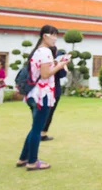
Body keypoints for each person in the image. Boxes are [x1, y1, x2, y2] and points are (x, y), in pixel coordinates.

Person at [16, 25, 69, 171]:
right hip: (43, 95)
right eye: (53, 35)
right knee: (37, 129)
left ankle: (23, 157)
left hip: (35, 94)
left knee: (35, 127)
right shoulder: (45, 52)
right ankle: (32, 161)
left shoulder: (37, 51)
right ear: (45, 36)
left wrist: (56, 64)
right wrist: (61, 65)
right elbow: (46, 74)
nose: (55, 39)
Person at [41, 48, 68, 141]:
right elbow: (63, 74)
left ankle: (41, 132)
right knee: (48, 113)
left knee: (46, 113)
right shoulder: (53, 64)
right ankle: (42, 133)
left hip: (47, 89)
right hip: (52, 90)